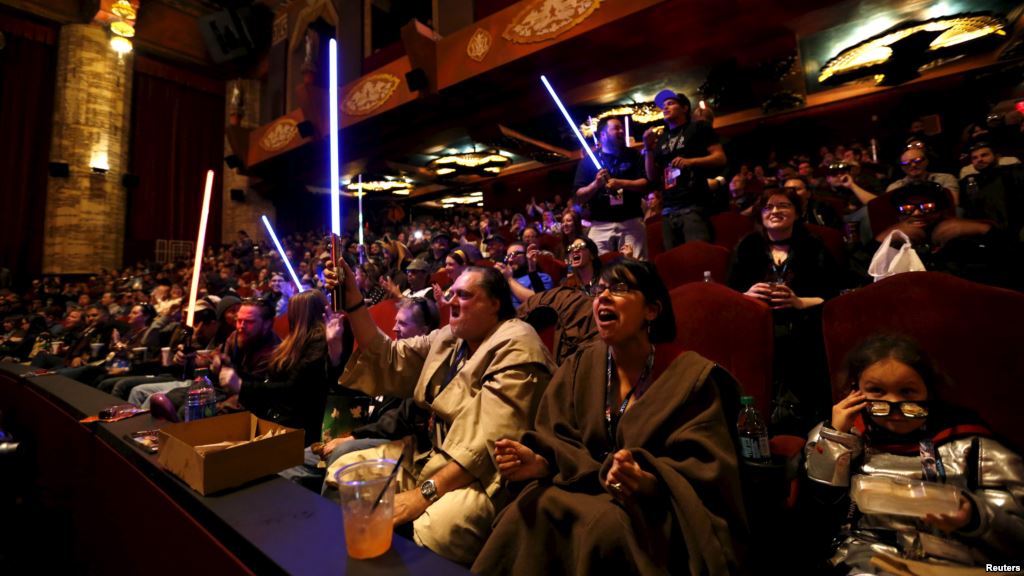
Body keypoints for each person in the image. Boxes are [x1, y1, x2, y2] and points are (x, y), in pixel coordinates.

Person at [473, 259, 746, 575]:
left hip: (652, 513)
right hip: (579, 490)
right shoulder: (580, 366)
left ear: (651, 310)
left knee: (604, 527)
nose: (602, 297)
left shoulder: (690, 378)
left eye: (619, 289)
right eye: (600, 289)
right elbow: (557, 438)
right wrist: (539, 461)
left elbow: (707, 473)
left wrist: (646, 481)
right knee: (527, 508)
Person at [323, 260, 555, 565]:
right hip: (429, 456)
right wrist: (353, 300)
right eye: (452, 293)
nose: (452, 302)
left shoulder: (518, 344)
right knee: (345, 477)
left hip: (486, 477)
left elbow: (485, 446)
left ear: (495, 304)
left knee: (442, 528)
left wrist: (421, 496)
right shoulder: (450, 337)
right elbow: (389, 355)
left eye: (465, 295)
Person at [803, 334, 1024, 572]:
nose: (895, 406)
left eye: (907, 392)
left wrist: (976, 516)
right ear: (855, 391)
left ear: (928, 391)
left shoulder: (971, 444)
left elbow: (1017, 529)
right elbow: (818, 505)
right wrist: (837, 438)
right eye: (876, 391)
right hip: (871, 555)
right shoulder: (845, 435)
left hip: (961, 557)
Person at [729, 187, 840, 432]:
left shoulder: (813, 245)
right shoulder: (747, 246)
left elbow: (834, 295)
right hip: (758, 328)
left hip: (805, 327)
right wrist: (747, 296)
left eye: (783, 206)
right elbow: (729, 294)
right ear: (760, 215)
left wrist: (799, 302)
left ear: (797, 213)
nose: (775, 211)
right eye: (768, 207)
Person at [238, 290, 344, 445]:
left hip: (299, 427)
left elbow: (292, 388)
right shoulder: (294, 342)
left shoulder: (318, 343)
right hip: (283, 417)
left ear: (296, 314)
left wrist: (241, 385)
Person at [643, 89, 726, 249]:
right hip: (668, 207)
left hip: (694, 203)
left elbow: (720, 157)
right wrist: (647, 148)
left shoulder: (698, 128)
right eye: (663, 106)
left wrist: (691, 161)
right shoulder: (662, 139)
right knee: (676, 261)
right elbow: (652, 176)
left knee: (699, 255)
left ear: (684, 108)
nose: (665, 108)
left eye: (671, 103)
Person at [574, 117, 649, 259]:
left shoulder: (633, 155)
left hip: (631, 220)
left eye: (622, 128)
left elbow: (646, 184)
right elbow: (578, 196)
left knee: (637, 265)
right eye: (616, 128)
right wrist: (595, 184)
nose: (621, 131)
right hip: (600, 223)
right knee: (599, 268)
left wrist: (621, 183)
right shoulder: (589, 161)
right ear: (603, 134)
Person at [496, 240, 553, 308]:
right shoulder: (503, 278)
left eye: (515, 254)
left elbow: (537, 301)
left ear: (527, 256)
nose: (510, 260)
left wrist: (509, 279)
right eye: (508, 256)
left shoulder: (542, 277)